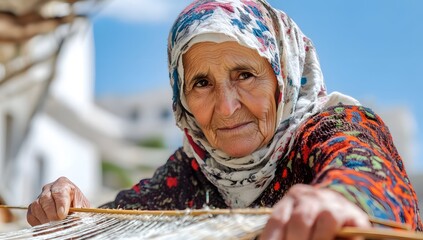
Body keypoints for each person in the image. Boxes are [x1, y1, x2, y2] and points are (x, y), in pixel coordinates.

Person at [27, 0, 422, 239]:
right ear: (181, 98)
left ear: (283, 76)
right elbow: (119, 222)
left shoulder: (337, 128)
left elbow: (369, 175)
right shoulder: (190, 172)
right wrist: (75, 211)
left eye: (245, 75)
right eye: (201, 83)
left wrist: (337, 199)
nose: (227, 107)